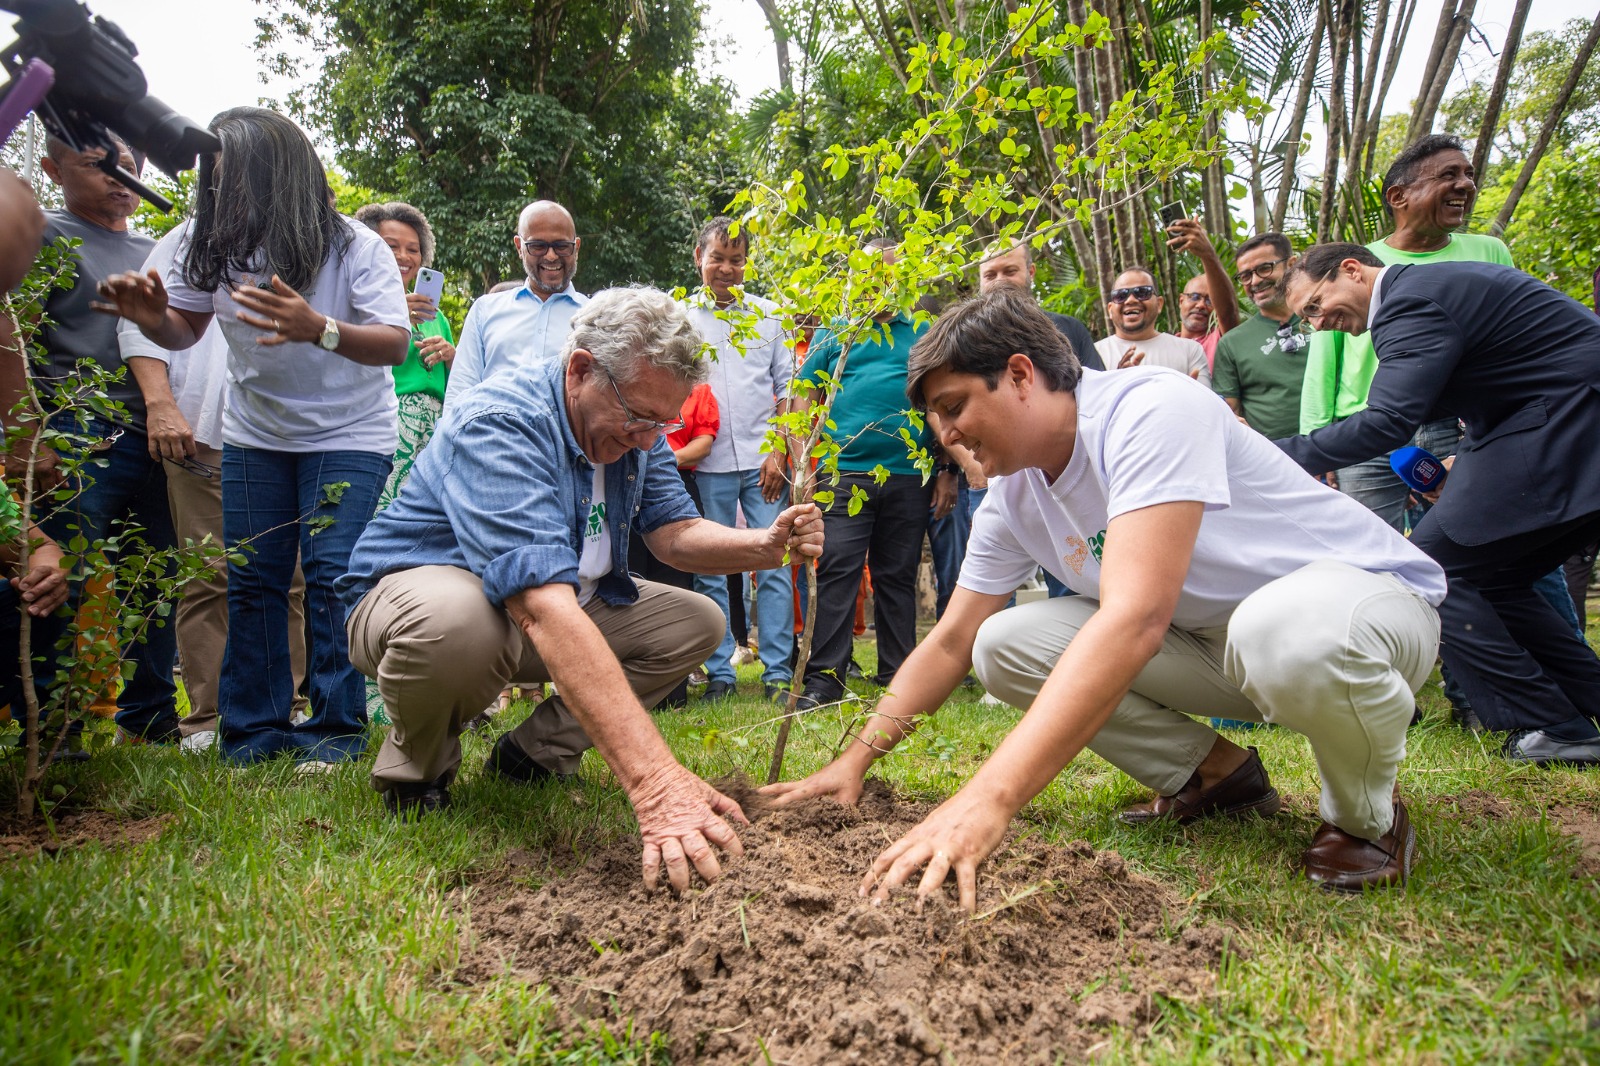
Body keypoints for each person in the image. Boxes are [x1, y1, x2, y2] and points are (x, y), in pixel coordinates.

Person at [768, 286, 1446, 901]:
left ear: (1020, 375)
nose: (945, 435)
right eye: (936, 420)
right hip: (1224, 647)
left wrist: (988, 800)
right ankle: (1216, 777)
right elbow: (951, 640)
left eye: (954, 407)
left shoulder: (1148, 411)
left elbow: (1134, 621)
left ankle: (1367, 822)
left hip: (1363, 614)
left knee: (1279, 631)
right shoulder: (1014, 492)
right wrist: (855, 760)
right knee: (1003, 645)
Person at [338, 287, 824, 894]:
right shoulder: (502, 421)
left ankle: (532, 757)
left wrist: (762, 546)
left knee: (697, 621)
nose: (651, 439)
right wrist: (655, 782)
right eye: (641, 419)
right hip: (422, 600)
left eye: (665, 423)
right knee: (461, 624)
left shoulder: (636, 427)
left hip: (547, 610)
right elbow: (541, 607)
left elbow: (673, 531)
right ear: (581, 369)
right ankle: (419, 768)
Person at [95, 106, 409, 767]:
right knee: (253, 577)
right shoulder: (206, 242)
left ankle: (333, 730)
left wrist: (318, 327)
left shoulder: (356, 245)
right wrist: (155, 320)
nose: (217, 185)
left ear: (275, 175)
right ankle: (254, 732)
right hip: (255, 433)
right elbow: (184, 330)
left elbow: (392, 341)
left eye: (231, 173)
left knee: (328, 577)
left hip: (349, 432)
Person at [1278, 245, 1600, 768]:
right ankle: (1579, 710)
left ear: (1353, 271)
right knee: (1493, 578)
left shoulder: (1410, 303)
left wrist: (1273, 454)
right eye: (1308, 318)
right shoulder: (1427, 292)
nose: (1319, 325)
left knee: (1427, 572)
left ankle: (1553, 725)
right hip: (1549, 422)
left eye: (1315, 306)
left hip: (1563, 424)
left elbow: (1387, 421)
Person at [7, 135, 177, 745]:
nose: (119, 179)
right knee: (63, 578)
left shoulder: (157, 248)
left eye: (129, 167)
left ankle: (152, 720)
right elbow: (15, 341)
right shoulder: (44, 238)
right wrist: (28, 436)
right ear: (52, 169)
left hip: (158, 436)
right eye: (97, 166)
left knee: (155, 576)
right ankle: (53, 728)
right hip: (77, 434)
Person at [119, 225, 311, 752]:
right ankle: (206, 719)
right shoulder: (189, 238)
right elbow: (138, 325)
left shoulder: (305, 236)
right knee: (210, 578)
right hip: (201, 430)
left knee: (288, 579)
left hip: (282, 434)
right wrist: (160, 404)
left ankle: (286, 709)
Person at [1298, 134, 1513, 531]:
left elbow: (1510, 344)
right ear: (1398, 197)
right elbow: (1325, 359)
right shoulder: (1356, 266)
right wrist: (1319, 446)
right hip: (1365, 430)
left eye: (1469, 175)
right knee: (1367, 552)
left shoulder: (1489, 251)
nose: (1466, 185)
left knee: (1494, 537)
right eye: (1449, 175)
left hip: (1460, 424)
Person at [796, 239, 951, 707]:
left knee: (897, 575)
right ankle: (824, 682)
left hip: (908, 474)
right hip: (844, 475)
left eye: (889, 274)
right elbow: (802, 394)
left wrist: (944, 468)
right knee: (839, 568)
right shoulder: (837, 330)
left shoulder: (924, 331)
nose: (879, 283)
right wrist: (805, 461)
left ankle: (900, 679)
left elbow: (941, 399)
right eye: (869, 273)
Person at [680, 217, 797, 702]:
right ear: (698, 259)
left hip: (762, 463)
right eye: (717, 259)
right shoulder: (679, 317)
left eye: (737, 260)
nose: (727, 269)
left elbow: (789, 387)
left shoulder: (770, 316)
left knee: (772, 562)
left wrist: (778, 449)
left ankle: (777, 673)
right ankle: (721, 672)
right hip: (705, 465)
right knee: (710, 568)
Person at [353, 202, 455, 508]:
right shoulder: (359, 308)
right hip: (385, 429)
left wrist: (452, 356)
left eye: (413, 249)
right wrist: (395, 320)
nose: (403, 256)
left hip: (432, 434)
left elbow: (456, 387)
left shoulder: (439, 318)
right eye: (391, 246)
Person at [627, 379, 719, 708]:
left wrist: (657, 460)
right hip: (627, 474)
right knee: (630, 582)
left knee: (676, 585)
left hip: (674, 479)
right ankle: (629, 691)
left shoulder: (699, 390)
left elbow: (704, 442)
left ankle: (672, 694)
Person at [443, 200, 586, 406]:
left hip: (563, 438)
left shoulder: (595, 318)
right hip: (491, 435)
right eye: (538, 246)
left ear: (576, 247)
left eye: (562, 246)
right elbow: (460, 390)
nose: (551, 256)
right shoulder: (485, 310)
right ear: (519, 247)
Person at [1210, 233, 1309, 440]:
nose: (1255, 281)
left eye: (1265, 268)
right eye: (1245, 275)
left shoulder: (1325, 318)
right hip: (1272, 457)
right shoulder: (1232, 343)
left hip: (1339, 448)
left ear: (1291, 265)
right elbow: (1230, 412)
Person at [1093, 267, 1210, 386]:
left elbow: (1207, 402)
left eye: (1142, 292)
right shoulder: (1093, 353)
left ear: (1159, 304)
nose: (1130, 300)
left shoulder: (1190, 351)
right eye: (1121, 295)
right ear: (1110, 309)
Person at [1166, 217, 1240, 368]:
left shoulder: (1221, 341)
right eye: (1194, 297)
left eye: (1209, 301)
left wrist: (1208, 254)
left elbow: (1228, 312)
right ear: (1181, 301)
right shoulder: (1164, 346)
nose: (1200, 305)